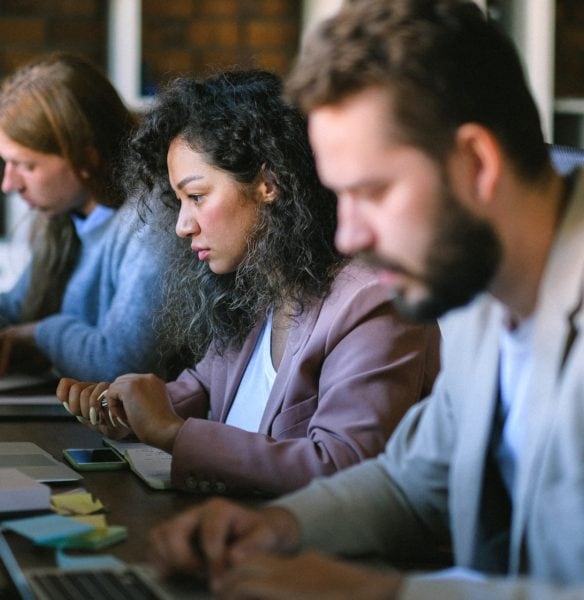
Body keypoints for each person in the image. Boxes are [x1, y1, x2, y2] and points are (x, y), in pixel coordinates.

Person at [144, 1, 584, 599]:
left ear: (477, 164)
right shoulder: (487, 288)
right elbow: (410, 481)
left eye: (371, 192)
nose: (347, 236)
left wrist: (379, 595)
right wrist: (275, 526)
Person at [57, 69, 440, 497]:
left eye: (197, 196)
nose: (183, 225)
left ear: (268, 183)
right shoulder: (261, 283)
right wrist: (127, 408)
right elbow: (203, 388)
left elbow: (344, 467)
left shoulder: (373, 302)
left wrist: (171, 433)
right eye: (179, 201)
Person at [0, 52, 166, 381]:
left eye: (27, 166)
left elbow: (121, 366)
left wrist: (37, 334)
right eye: (6, 163)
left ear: (86, 159)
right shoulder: (69, 215)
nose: (8, 184)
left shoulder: (151, 220)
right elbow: (17, 307)